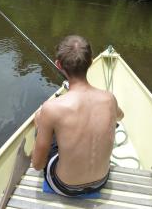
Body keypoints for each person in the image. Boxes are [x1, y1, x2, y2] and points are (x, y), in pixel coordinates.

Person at [32, 35, 124, 197]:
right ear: (91, 61)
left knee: (40, 118)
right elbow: (120, 117)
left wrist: (40, 123)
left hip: (64, 186)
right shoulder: (109, 98)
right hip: (101, 182)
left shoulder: (51, 108)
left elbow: (38, 165)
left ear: (58, 65)